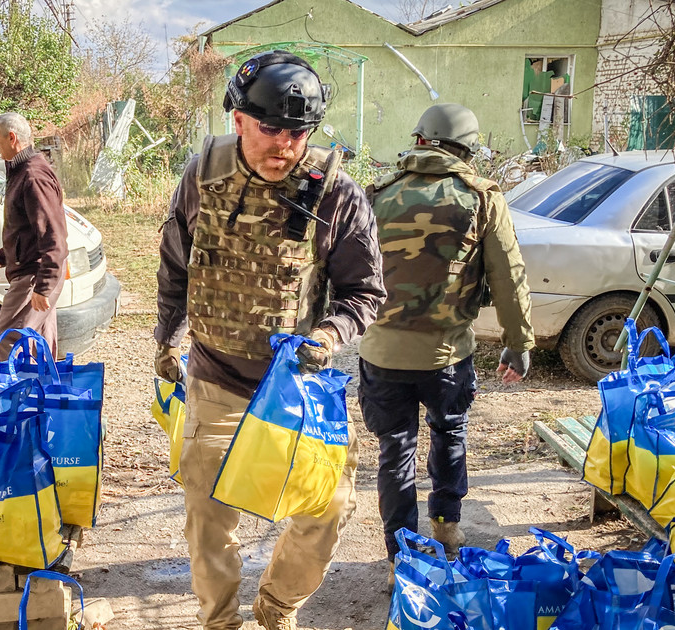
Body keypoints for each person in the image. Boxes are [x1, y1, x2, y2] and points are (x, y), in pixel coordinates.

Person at [154, 50, 386, 630]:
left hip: (297, 389)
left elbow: (365, 292)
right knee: (209, 519)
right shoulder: (204, 174)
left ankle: (277, 608)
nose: (284, 144)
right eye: (269, 129)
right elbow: (176, 265)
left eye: (298, 132)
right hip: (216, 378)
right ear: (237, 120)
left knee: (328, 510)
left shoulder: (335, 193)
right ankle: (222, 622)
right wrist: (168, 337)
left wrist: (330, 334)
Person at [358, 103, 535, 569]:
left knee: (395, 450)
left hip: (382, 353)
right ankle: (446, 529)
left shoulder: (375, 193)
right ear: (467, 151)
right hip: (446, 355)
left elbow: (342, 269)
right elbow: (508, 275)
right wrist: (519, 343)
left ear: (419, 140)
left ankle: (402, 556)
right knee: (448, 432)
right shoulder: (480, 197)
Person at [0, 112, 67, 358]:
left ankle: (13, 396)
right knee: (38, 347)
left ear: (12, 138)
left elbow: (54, 235)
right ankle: (41, 396)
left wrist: (43, 286)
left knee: (7, 346)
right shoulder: (21, 170)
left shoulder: (33, 176)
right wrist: (2, 257)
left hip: (35, 274)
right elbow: (26, 227)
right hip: (34, 270)